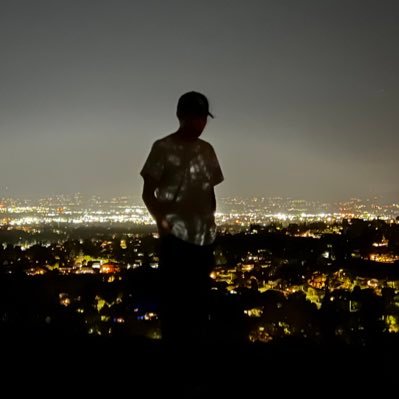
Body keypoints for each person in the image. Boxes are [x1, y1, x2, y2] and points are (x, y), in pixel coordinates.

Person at [140, 91, 224, 352]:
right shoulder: (162, 148)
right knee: (175, 305)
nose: (200, 123)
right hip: (176, 239)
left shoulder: (207, 150)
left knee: (199, 303)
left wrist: (210, 223)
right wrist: (163, 224)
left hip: (203, 238)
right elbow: (147, 192)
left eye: (203, 118)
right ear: (181, 117)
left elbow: (209, 190)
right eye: (196, 117)